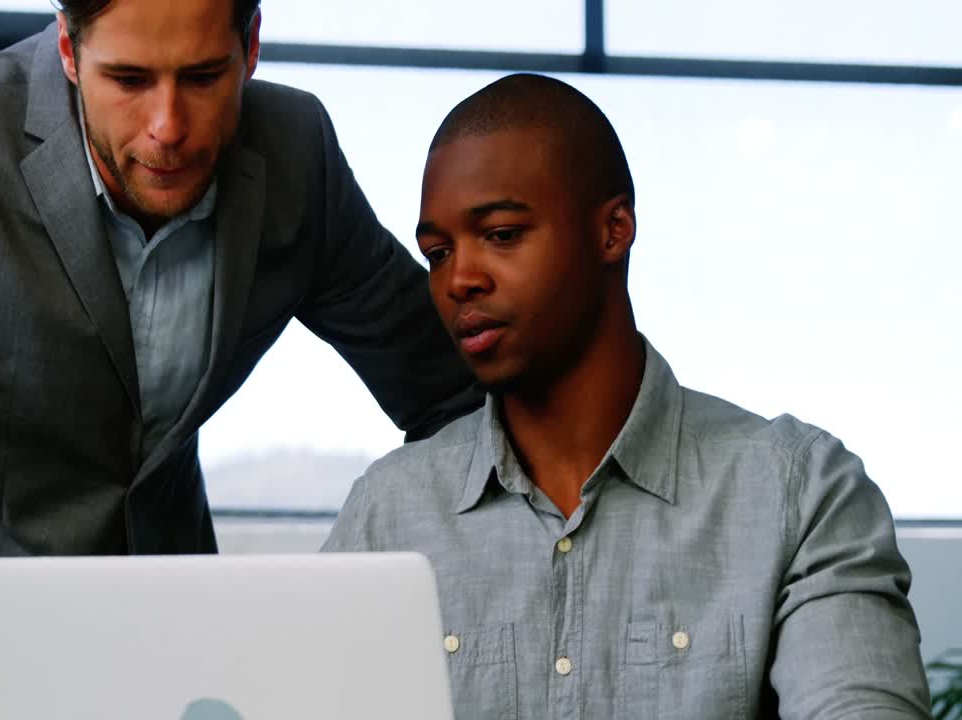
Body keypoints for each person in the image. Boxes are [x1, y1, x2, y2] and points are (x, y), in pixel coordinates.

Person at [0, 1, 480, 717]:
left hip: (173, 661)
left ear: (251, 46)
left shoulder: (295, 154)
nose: (168, 128)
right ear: (69, 49)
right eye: (129, 80)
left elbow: (450, 390)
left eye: (201, 77)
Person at [323, 73, 931, 719]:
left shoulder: (798, 491)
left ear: (613, 230)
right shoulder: (387, 515)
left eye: (501, 234)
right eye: (438, 253)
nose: (459, 280)